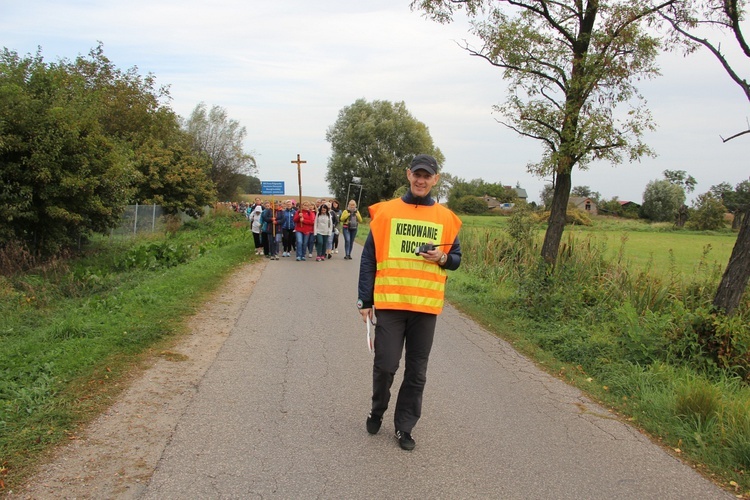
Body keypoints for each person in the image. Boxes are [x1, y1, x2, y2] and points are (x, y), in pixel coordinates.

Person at [357, 154, 462, 451]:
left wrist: (442, 257)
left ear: (435, 179)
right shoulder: (387, 213)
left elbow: (455, 260)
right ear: (408, 175)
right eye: (417, 174)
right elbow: (368, 259)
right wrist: (364, 299)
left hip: (425, 310)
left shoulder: (446, 218)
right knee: (386, 365)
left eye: (427, 175)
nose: (421, 180)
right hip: (390, 304)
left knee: (417, 373)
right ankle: (377, 408)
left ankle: (404, 427)